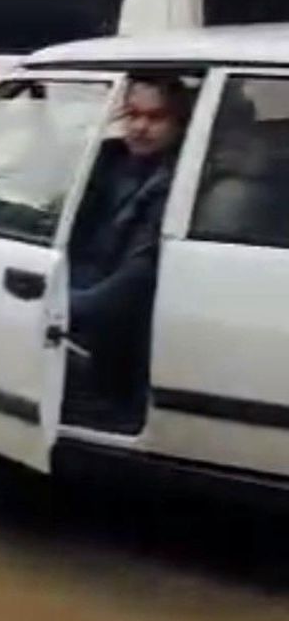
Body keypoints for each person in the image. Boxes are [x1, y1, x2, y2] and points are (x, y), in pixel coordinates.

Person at [68, 76, 193, 421]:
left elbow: (138, 274)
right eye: (132, 115)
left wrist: (59, 306)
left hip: (119, 317)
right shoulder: (108, 159)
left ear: (180, 124)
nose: (139, 127)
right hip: (85, 282)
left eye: (155, 118)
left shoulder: (179, 181)